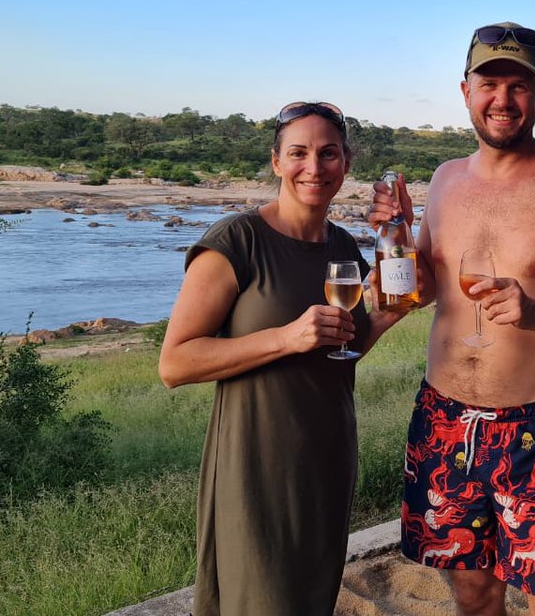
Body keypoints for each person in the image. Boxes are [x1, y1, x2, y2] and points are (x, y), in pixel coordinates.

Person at [370, 23, 535, 615]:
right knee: (472, 593)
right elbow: (415, 291)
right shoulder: (444, 179)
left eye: (520, 86)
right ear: (464, 90)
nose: (503, 99)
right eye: (490, 83)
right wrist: (394, 237)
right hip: (442, 420)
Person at [158, 100, 403, 615]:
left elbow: (343, 350)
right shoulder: (237, 240)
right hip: (257, 462)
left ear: (346, 164)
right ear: (276, 162)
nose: (314, 167)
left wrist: (382, 317)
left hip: (328, 455)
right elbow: (175, 363)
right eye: (299, 153)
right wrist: (285, 338)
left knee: (311, 600)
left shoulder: (341, 246)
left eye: (328, 153)